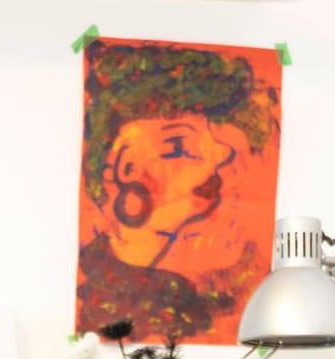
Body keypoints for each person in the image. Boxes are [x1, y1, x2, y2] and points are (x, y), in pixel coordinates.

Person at [76, 39, 281, 343]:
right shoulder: (106, 299)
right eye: (179, 148)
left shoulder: (229, 280)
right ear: (122, 170)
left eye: (215, 150)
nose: (213, 167)